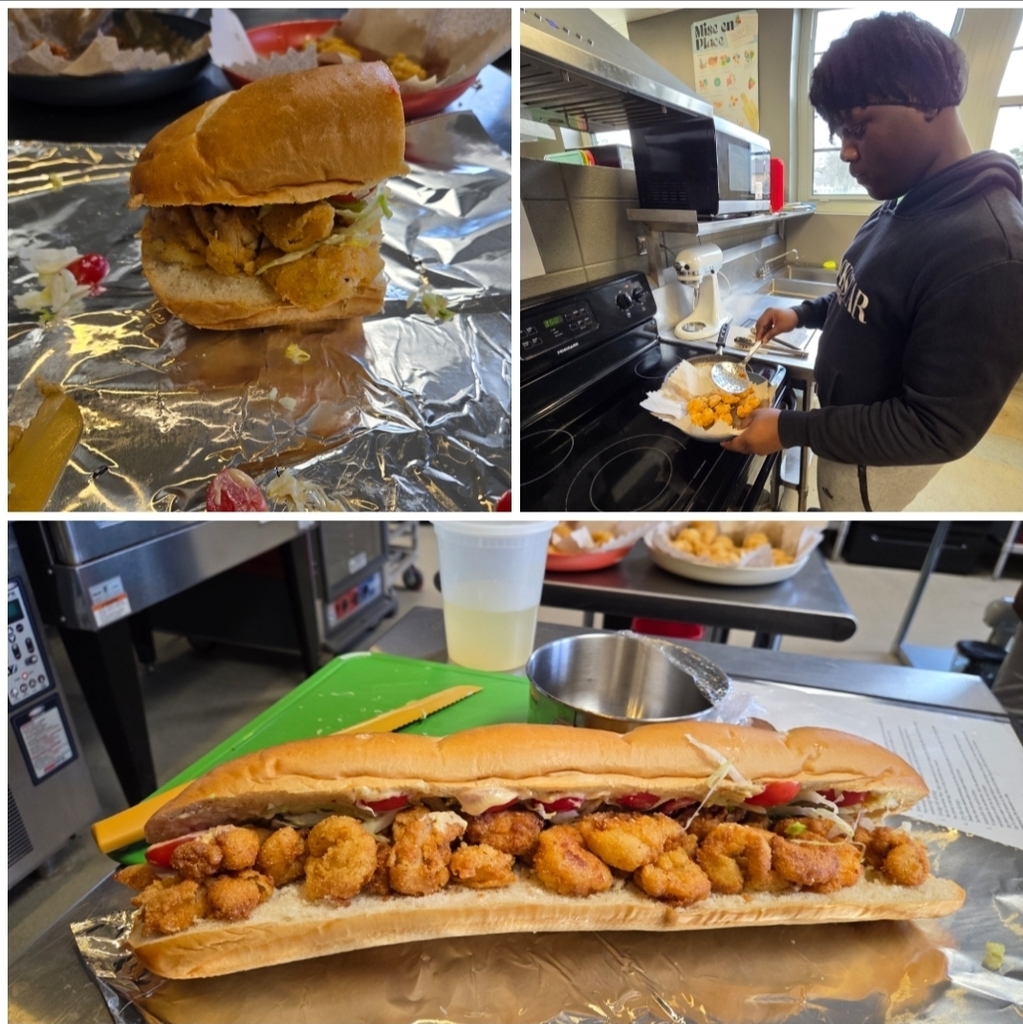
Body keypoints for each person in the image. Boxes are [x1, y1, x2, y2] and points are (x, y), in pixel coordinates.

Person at [721, 12, 1023, 511]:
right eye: (840, 133)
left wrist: (793, 429)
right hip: (843, 427)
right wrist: (803, 314)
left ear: (926, 98)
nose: (845, 152)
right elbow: (860, 294)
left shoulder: (992, 253)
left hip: (874, 460)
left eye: (857, 127)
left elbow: (936, 428)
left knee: (842, 520)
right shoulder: (901, 201)